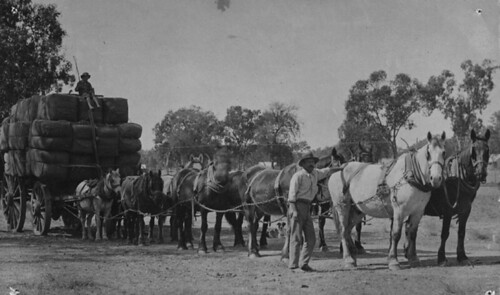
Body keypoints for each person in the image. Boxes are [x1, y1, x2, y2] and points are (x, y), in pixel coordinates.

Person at [287, 151, 335, 272]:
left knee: (311, 238)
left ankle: (304, 263)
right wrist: (294, 211)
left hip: (308, 207)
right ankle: (293, 265)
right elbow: (291, 197)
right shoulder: (298, 176)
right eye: (308, 162)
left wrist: (343, 167)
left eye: (313, 162)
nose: (311, 164)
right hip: (297, 206)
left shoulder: (315, 174)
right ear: (303, 164)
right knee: (296, 238)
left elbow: (328, 171)